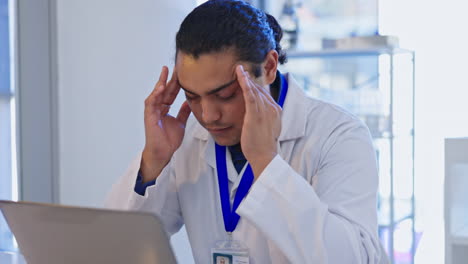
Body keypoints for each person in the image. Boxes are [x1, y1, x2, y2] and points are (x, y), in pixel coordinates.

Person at [106, 0, 387, 263]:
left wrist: (266, 163)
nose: (208, 115)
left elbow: (352, 258)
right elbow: (116, 247)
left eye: (226, 95)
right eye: (192, 96)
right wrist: (154, 161)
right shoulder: (187, 137)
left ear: (268, 67)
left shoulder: (338, 135)